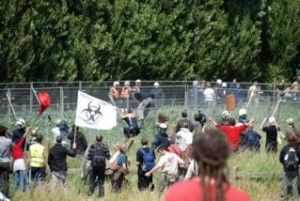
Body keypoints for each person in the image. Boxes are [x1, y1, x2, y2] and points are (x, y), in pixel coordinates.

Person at [164, 129, 250, 201]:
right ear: (224, 157)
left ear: (196, 154)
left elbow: (187, 178)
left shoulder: (176, 193)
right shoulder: (239, 197)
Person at [279, 133, 300, 201]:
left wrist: (285, 165)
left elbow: (281, 159)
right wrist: (297, 165)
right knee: (295, 186)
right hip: (295, 170)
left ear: (287, 140)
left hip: (286, 170)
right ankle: (296, 199)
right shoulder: (297, 148)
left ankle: (285, 198)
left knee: (285, 185)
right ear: (294, 140)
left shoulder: (284, 148)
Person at [11, 125, 28, 192]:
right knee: (21, 178)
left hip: (15, 164)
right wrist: (27, 131)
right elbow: (23, 138)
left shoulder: (11, 149)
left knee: (16, 179)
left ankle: (15, 191)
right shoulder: (18, 145)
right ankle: (21, 191)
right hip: (20, 162)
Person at [0, 125, 12, 198]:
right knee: (6, 181)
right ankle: (5, 196)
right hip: (6, 163)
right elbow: (11, 149)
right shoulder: (9, 141)